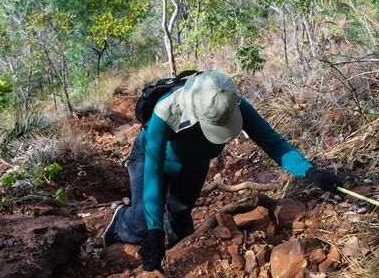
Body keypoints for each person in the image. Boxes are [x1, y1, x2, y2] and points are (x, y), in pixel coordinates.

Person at [102, 70, 343, 272]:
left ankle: (174, 262)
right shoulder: (167, 111)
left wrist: (310, 172)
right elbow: (154, 165)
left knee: (181, 219)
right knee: (143, 221)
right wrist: (154, 233)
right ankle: (122, 221)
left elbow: (273, 142)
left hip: (194, 165)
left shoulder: (232, 102)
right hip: (148, 160)